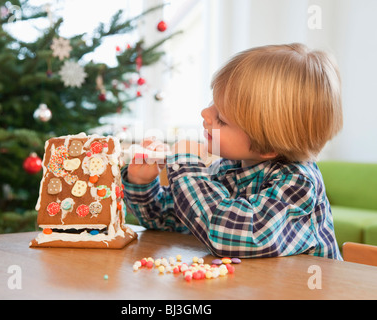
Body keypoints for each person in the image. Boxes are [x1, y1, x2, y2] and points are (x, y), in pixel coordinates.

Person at [121, 43, 343, 260]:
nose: (205, 113)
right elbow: (171, 218)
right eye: (213, 103)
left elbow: (230, 236)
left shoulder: (298, 184)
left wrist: (186, 166)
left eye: (221, 119)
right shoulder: (229, 167)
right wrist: (142, 185)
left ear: (268, 147)